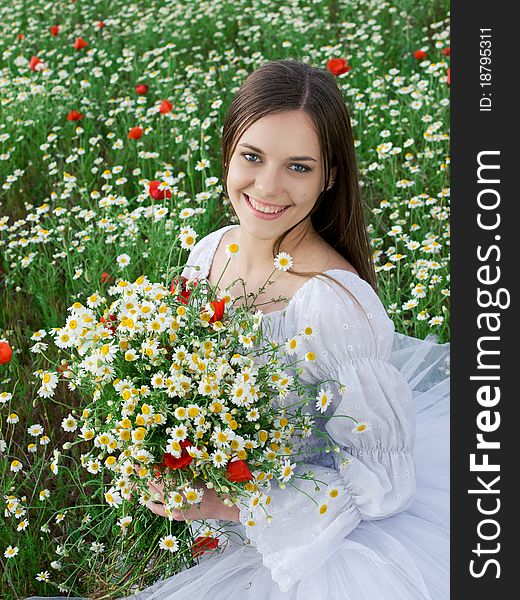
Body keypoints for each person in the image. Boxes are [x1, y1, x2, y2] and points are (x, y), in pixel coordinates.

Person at [28, 59, 449, 600]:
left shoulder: (332, 303)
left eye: (299, 167)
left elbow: (384, 482)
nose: (268, 187)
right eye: (252, 157)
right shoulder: (212, 252)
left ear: (330, 177)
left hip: (322, 549)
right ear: (228, 150)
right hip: (224, 523)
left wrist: (230, 503)